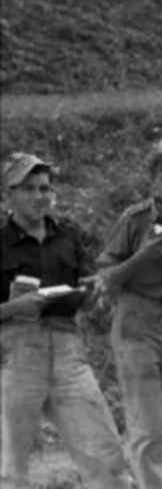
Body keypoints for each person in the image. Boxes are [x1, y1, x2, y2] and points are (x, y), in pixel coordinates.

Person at [0, 152, 130, 488]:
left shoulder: (68, 236)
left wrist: (94, 291)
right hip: (15, 355)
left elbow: (88, 293)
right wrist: (15, 307)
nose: (39, 196)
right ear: (9, 194)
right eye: (28, 188)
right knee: (9, 466)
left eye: (45, 188)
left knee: (105, 456)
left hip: (68, 350)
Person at [93, 140, 162, 489]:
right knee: (149, 427)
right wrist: (142, 255)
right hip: (138, 320)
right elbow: (106, 278)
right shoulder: (135, 220)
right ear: (153, 182)